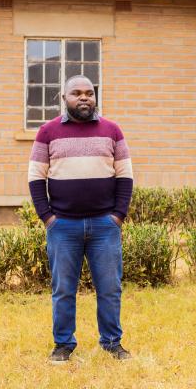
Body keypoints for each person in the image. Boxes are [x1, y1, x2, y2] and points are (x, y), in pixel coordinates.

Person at [27, 75, 133, 364]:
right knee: (63, 290)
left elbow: (125, 176)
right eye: (76, 93)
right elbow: (36, 177)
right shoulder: (48, 132)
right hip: (63, 226)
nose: (84, 97)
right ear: (64, 98)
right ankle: (63, 345)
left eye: (89, 93)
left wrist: (117, 216)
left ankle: (112, 342)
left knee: (110, 288)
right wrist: (48, 218)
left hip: (104, 226)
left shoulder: (112, 130)